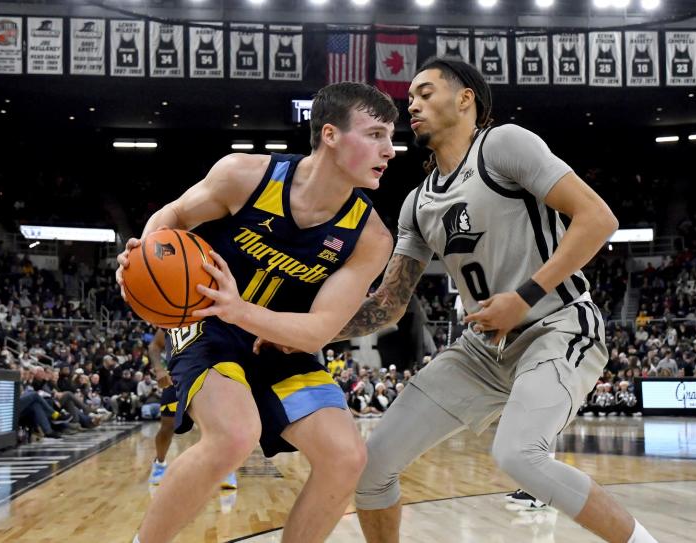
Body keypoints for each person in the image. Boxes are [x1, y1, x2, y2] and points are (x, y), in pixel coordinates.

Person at [330, 58, 656, 542]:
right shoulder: (417, 203)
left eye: (424, 93)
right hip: (482, 350)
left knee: (518, 455)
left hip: (557, 324)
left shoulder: (503, 145)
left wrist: (524, 298)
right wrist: (302, 327)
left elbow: (597, 218)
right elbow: (388, 305)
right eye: (410, 98)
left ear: (466, 100)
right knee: (371, 467)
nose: (411, 105)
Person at [117, 82, 397, 543]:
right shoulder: (244, 175)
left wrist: (242, 309)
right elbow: (171, 219)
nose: (388, 149)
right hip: (210, 329)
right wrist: (137, 262)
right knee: (233, 435)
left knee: (346, 457)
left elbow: (319, 330)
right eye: (375, 134)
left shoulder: (370, 237)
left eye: (390, 136)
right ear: (329, 134)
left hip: (283, 342)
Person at [145, 328, 237, 490]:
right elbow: (154, 346)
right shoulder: (172, 316)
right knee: (167, 427)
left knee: (219, 426)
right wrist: (159, 369)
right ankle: (159, 464)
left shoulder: (214, 316)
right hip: (176, 378)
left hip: (208, 376)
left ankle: (226, 469)